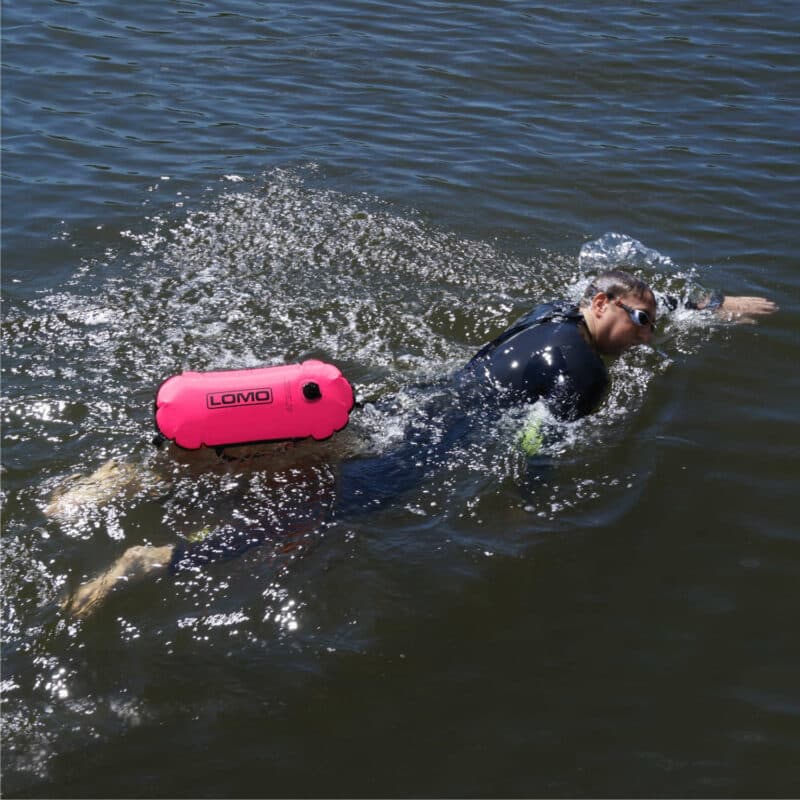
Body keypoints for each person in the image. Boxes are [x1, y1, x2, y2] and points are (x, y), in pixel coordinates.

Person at [59, 270, 777, 616]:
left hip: (411, 403)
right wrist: (533, 501)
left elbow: (633, 292)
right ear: (600, 304)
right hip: (424, 446)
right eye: (638, 321)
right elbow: (538, 436)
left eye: (651, 325)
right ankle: (149, 561)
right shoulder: (585, 372)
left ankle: (131, 477)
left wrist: (709, 308)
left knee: (292, 454)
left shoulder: (557, 315)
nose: (644, 335)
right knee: (310, 511)